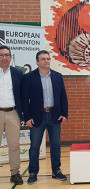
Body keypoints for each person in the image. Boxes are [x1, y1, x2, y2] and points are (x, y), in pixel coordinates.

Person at [21, 50, 68, 184]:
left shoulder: (58, 76)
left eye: (48, 59)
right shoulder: (29, 77)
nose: (46, 61)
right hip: (37, 117)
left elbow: (63, 97)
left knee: (56, 145)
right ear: (37, 61)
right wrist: (27, 117)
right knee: (35, 146)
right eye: (43, 59)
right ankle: (33, 172)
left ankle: (56, 170)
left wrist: (64, 113)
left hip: (54, 115)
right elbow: (25, 100)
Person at [0, 45, 23, 185]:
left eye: (6, 55)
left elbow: (23, 94)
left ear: (10, 57)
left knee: (14, 145)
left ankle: (15, 173)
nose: (4, 58)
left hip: (13, 113)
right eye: (1, 55)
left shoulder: (18, 73)